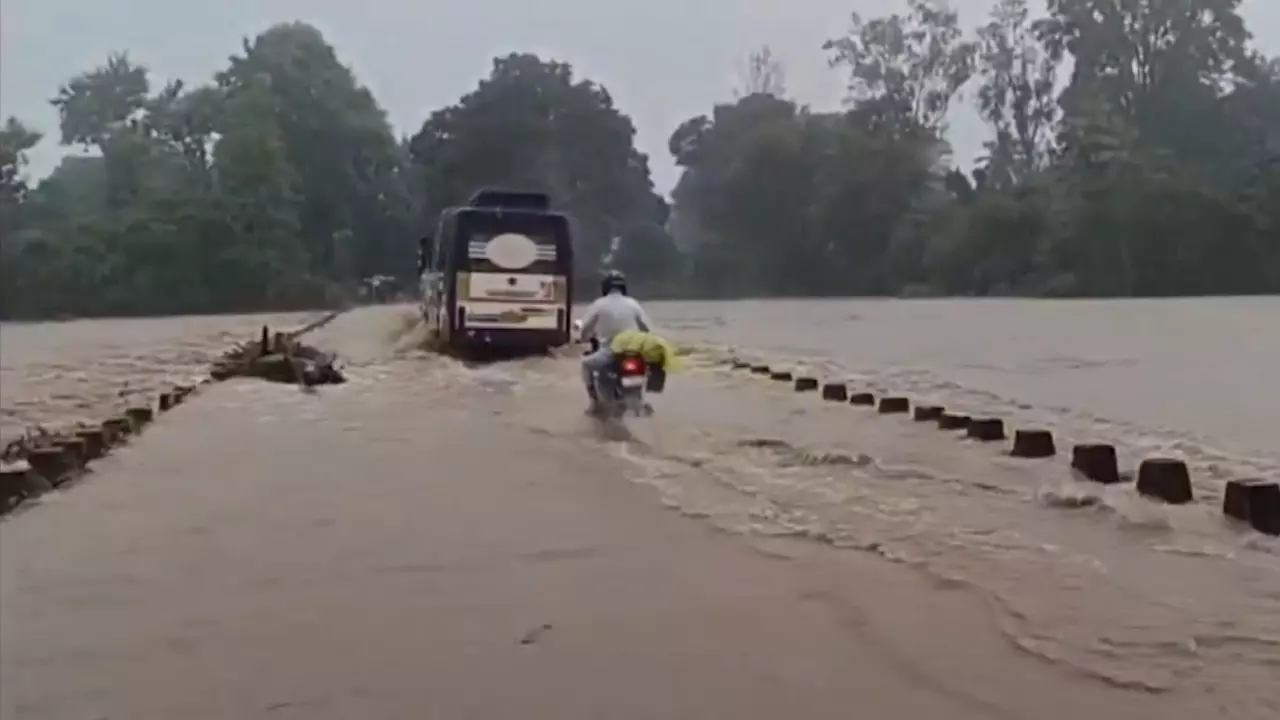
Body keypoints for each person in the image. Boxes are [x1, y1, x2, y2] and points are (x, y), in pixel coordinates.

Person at [578, 270, 653, 413]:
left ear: (605, 287)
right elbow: (648, 329)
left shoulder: (599, 304)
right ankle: (639, 401)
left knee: (586, 365)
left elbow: (585, 328)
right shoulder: (633, 304)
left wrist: (583, 338)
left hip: (609, 352)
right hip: (633, 352)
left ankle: (594, 403)